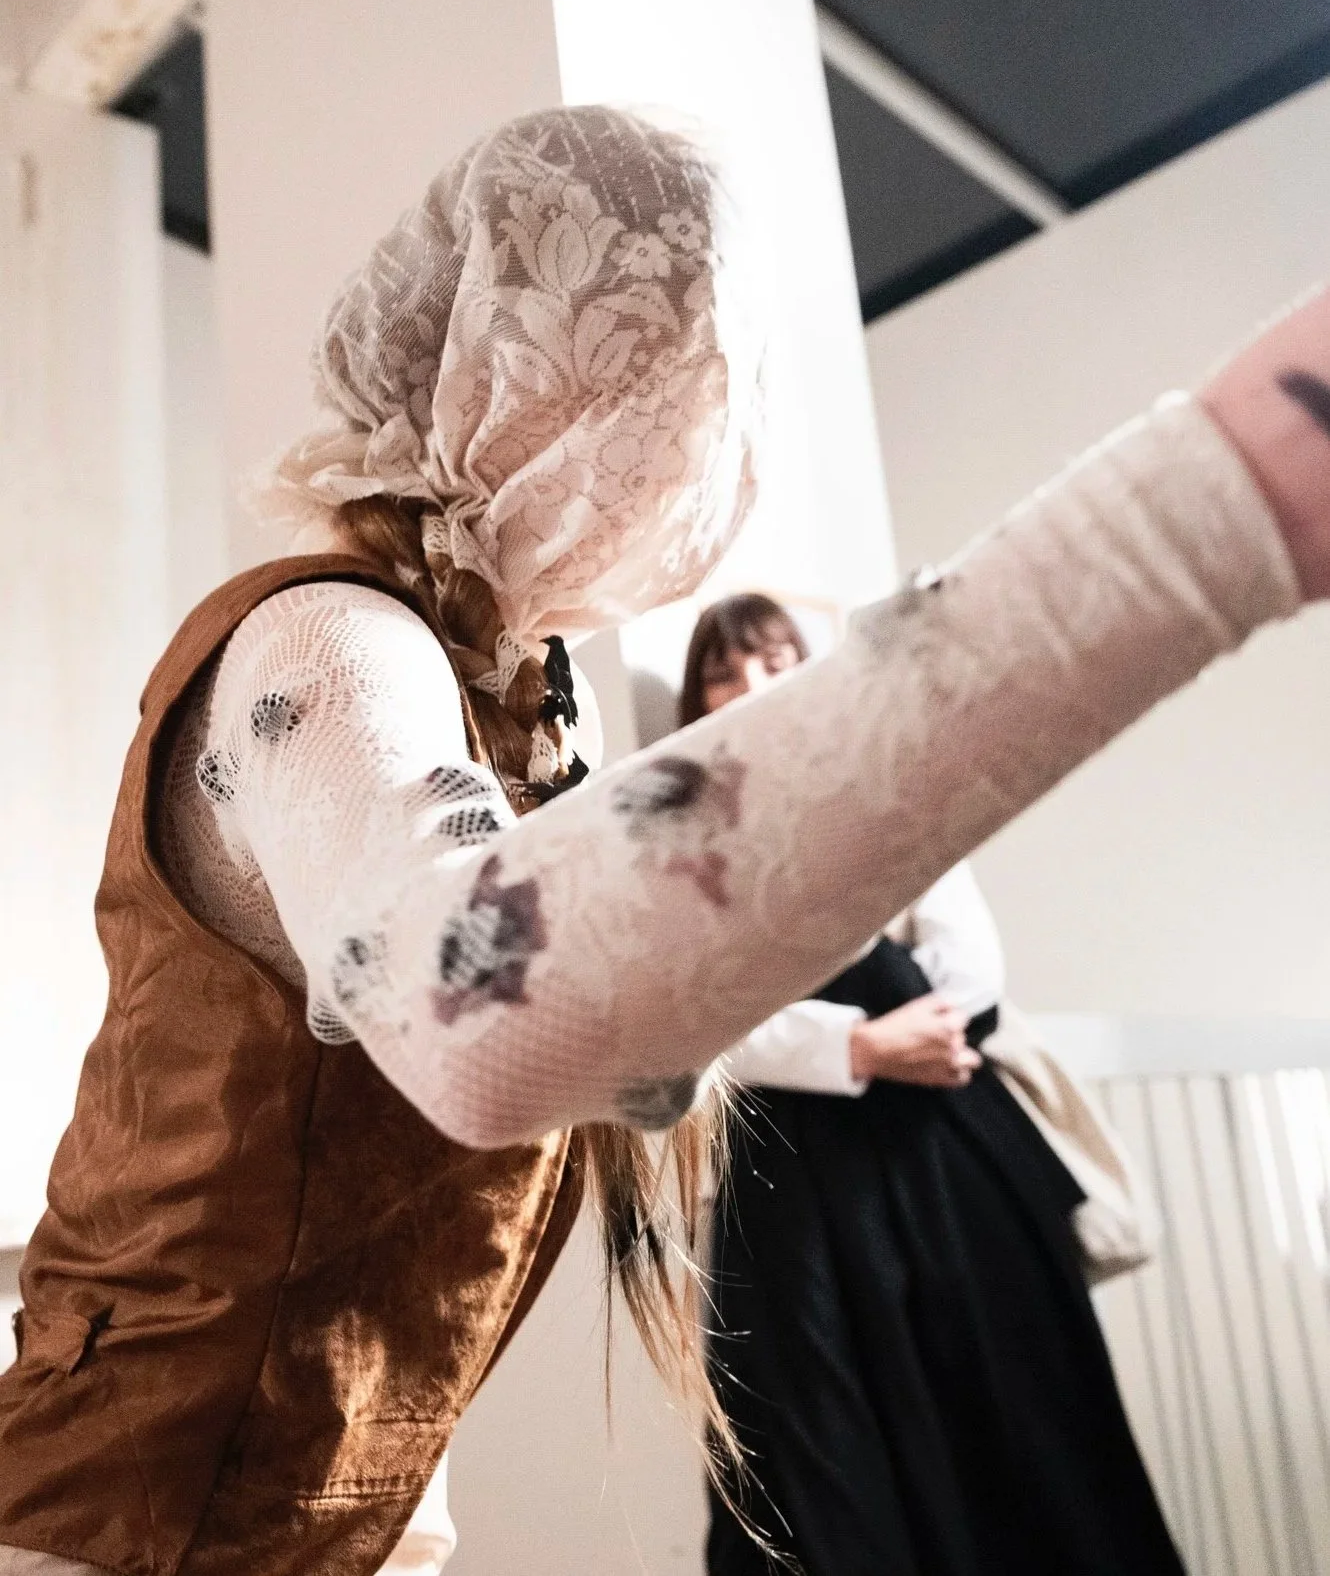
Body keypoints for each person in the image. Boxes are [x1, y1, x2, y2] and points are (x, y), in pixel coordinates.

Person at [1, 100, 1329, 1576]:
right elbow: (480, 1013)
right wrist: (1212, 508)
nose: (702, 463)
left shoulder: (505, 706)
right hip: (117, 1535)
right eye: (673, 397)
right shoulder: (321, 644)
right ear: (529, 386)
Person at [685, 593, 1182, 1576]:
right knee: (822, 1467)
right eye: (725, 672)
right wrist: (861, 1047)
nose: (753, 688)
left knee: (1027, 1450)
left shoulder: (887, 790)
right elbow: (699, 1023)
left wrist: (909, 1029)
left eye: (777, 661)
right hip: (799, 1194)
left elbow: (969, 964)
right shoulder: (683, 845)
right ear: (696, 704)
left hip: (943, 1167)